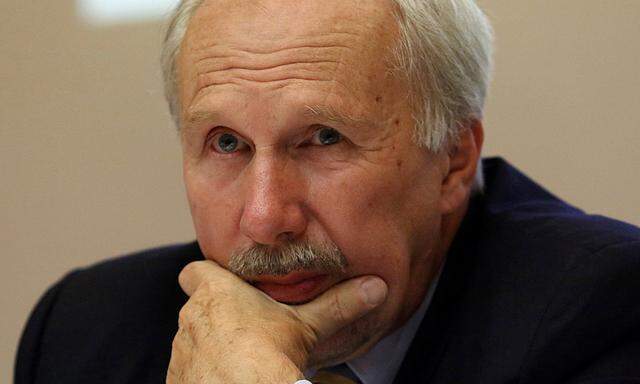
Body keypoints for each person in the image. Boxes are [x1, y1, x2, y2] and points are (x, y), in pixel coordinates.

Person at [15, 0, 640, 383]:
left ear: (452, 158)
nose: (265, 219)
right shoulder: (84, 331)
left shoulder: (604, 310)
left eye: (322, 138)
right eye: (227, 143)